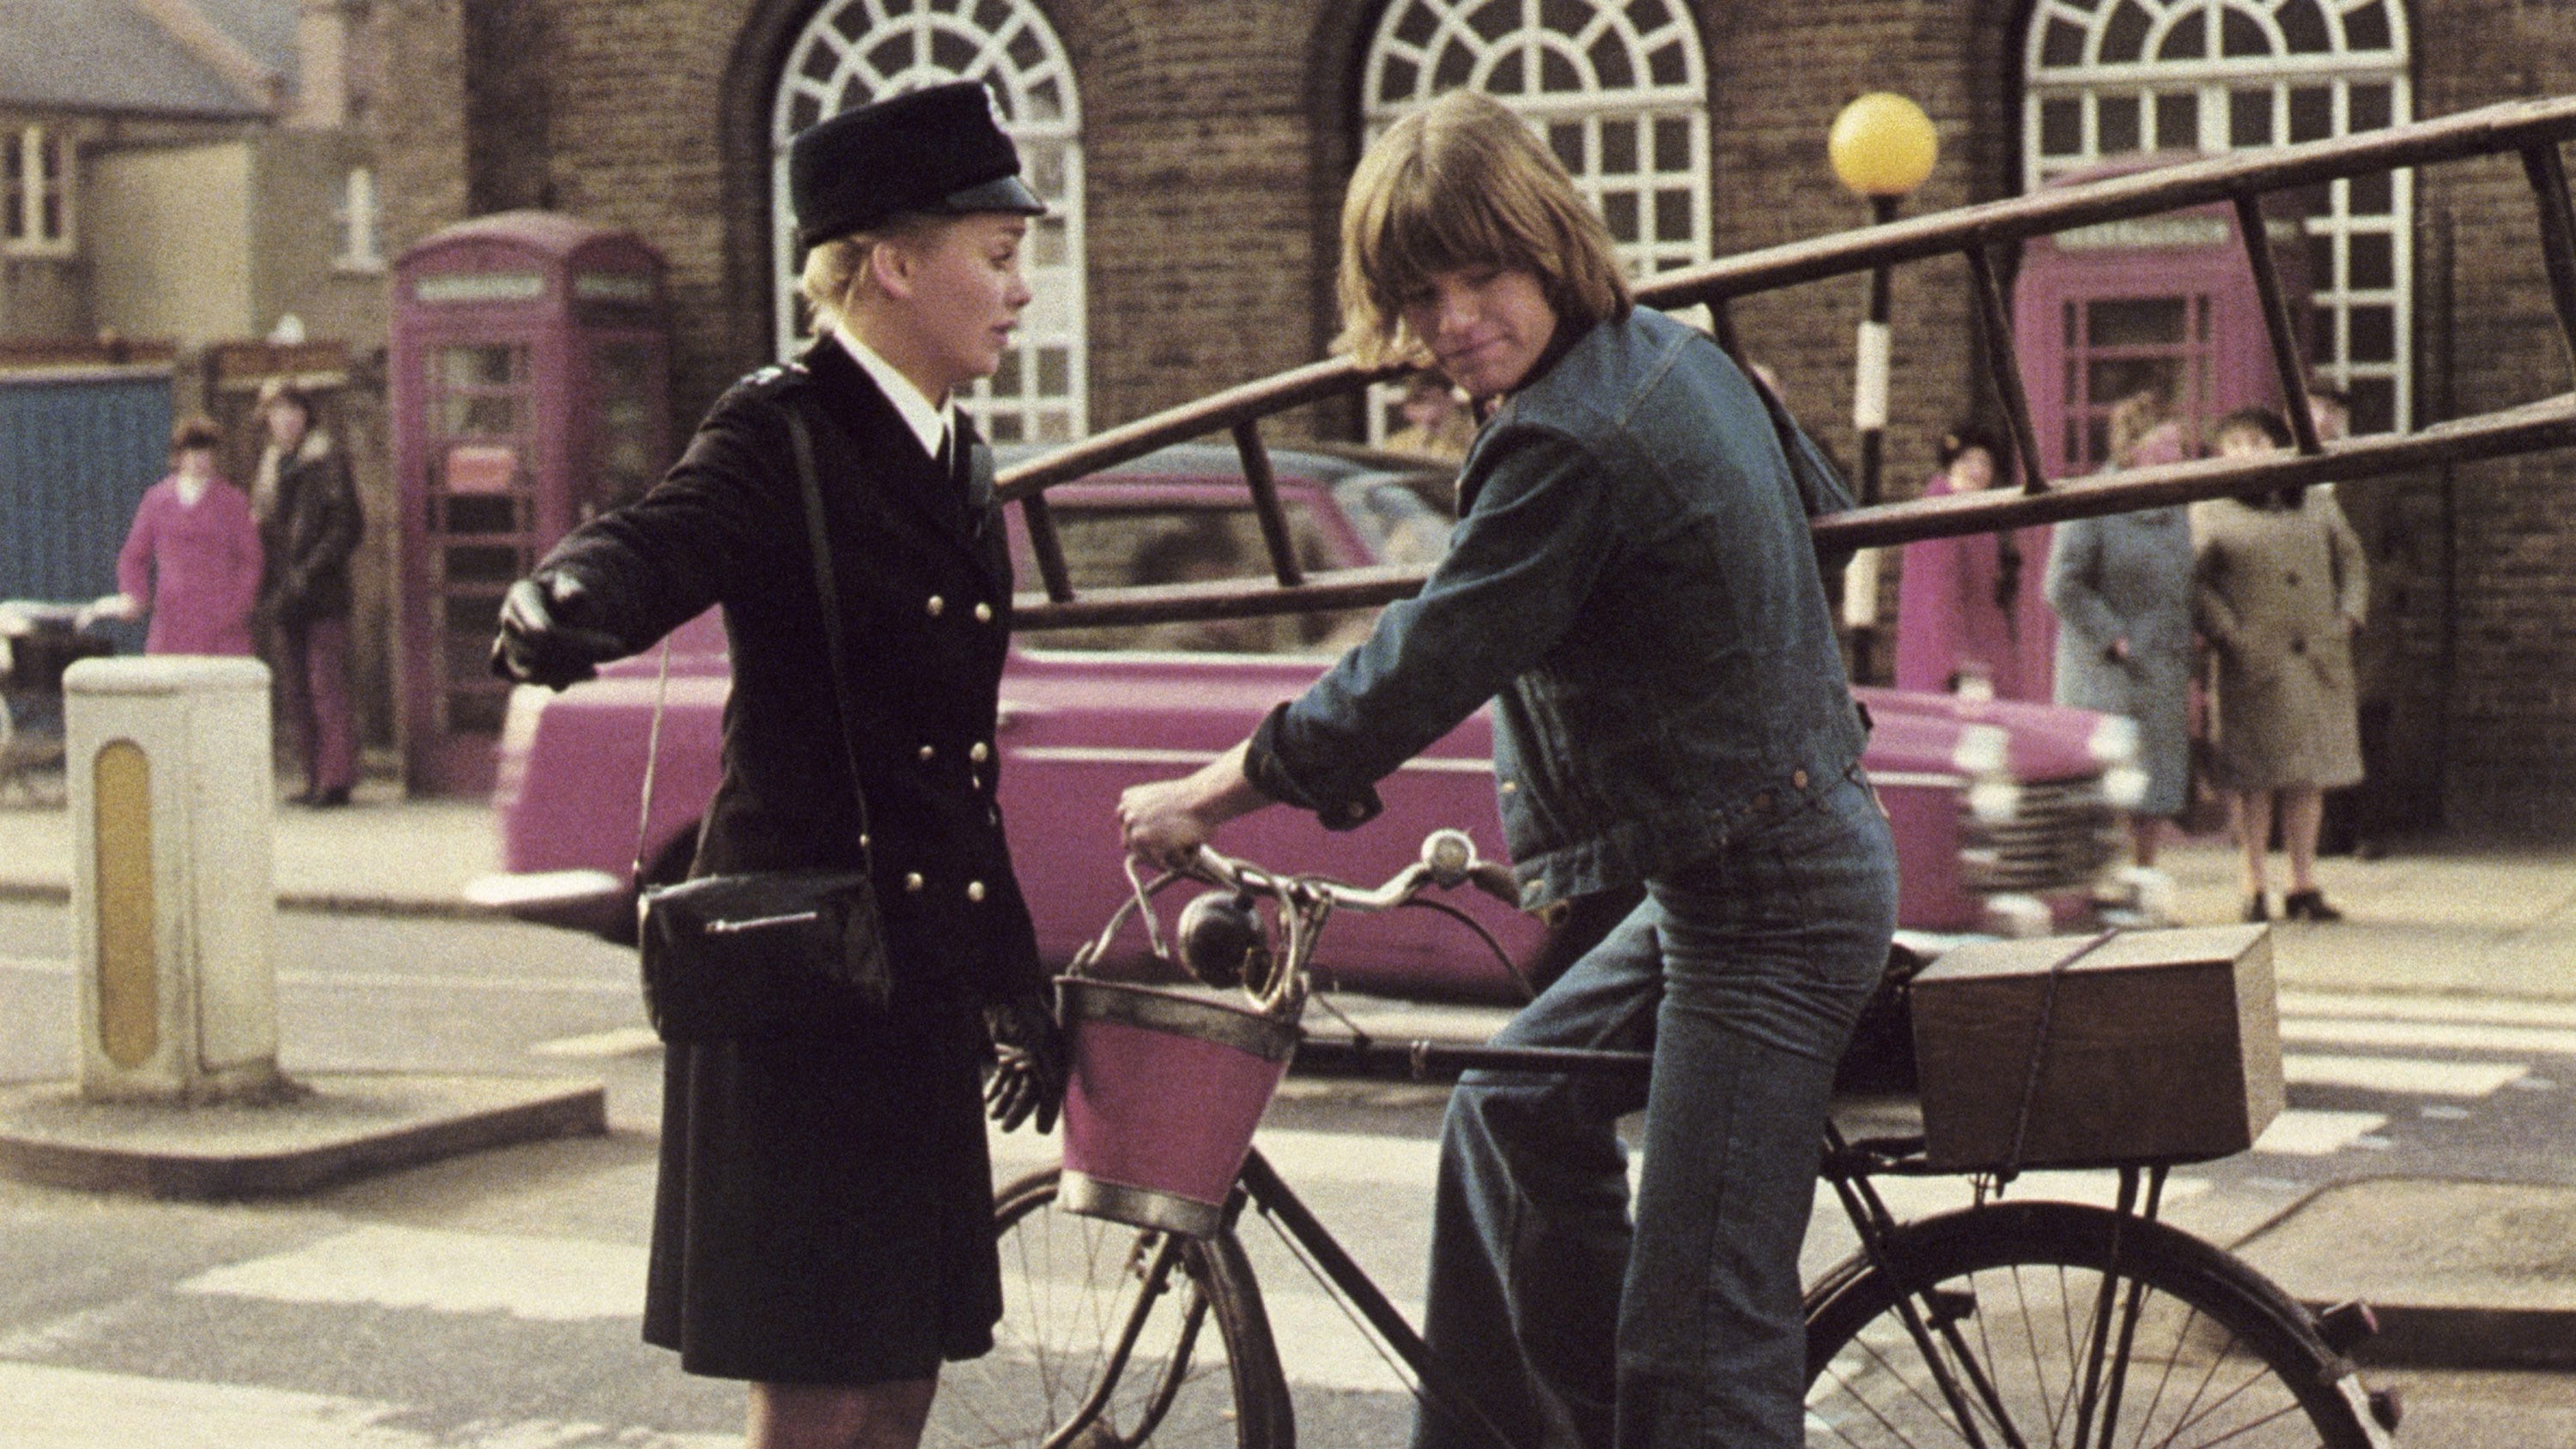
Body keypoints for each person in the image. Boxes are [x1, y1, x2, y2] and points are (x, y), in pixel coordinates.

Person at [1115, 89, 1897, 1449]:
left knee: (1699, 1348)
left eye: (1484, 276)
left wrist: (1208, 791)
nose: (1456, 320)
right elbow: (1825, 511)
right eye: (1421, 296)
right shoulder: (1676, 352)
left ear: (1549, 246)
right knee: (1510, 1107)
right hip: (1746, 864)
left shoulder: (1565, 437)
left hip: (1763, 902)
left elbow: (1420, 664)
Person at [488, 82, 1066, 1449]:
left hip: (913, 978)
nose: (1021, 290)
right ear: (893, 264)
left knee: (907, 1378)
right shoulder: (783, 430)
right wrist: (567, 598)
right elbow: (664, 533)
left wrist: (1007, 972)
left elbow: (951, 761)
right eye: (997, 256)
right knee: (823, 1394)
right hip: (804, 983)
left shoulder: (954, 453)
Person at [2193, 406, 2368, 923]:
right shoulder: (2211, 510)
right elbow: (2196, 584)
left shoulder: (2316, 502)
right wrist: (2228, 632)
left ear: (2280, 445)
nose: (2247, 451)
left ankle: (2302, 882)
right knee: (2255, 779)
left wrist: (2349, 618)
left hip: (2317, 659)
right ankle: (2253, 883)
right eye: (2235, 442)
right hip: (2254, 663)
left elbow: (2352, 562)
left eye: (2258, 441)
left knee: (2307, 775)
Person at [2045, 395, 2196, 890]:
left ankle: (2142, 885)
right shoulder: (2093, 502)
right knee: (2109, 781)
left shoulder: (2178, 506)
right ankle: (2099, 889)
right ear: (2133, 448)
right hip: (2106, 670)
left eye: (2179, 444)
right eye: (2167, 444)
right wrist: (2112, 636)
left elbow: (2187, 580)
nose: (2178, 454)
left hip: (2164, 665)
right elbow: (2062, 584)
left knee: (2156, 781)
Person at [252, 380, 363, 807]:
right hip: (285, 591)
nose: (286, 420)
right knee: (296, 687)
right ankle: (313, 775)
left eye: (293, 410)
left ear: (306, 416)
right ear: (267, 420)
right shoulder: (270, 466)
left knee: (325, 683)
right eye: (277, 411)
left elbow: (348, 526)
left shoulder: (327, 461)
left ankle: (336, 779)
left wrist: (310, 570)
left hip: (322, 590)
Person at [1892, 421, 2055, 700]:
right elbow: (1939, 599)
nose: (1977, 470)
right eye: (1967, 460)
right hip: (1957, 675)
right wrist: (1957, 669)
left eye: (1985, 462)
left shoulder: (1971, 515)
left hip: (1981, 660)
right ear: (1950, 465)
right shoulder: (1941, 518)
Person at [87, 415, 264, 656]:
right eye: (193, 452)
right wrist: (134, 595)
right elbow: (134, 556)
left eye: (207, 452)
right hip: (171, 623)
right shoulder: (157, 500)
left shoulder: (232, 502)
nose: (200, 459)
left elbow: (251, 560)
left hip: (222, 627)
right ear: (179, 455)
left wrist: (237, 607)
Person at [1383, 369, 1474, 461]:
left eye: (1434, 399)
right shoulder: (1400, 443)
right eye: (1418, 400)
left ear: (1450, 399)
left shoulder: (1471, 438)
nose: (1427, 408)